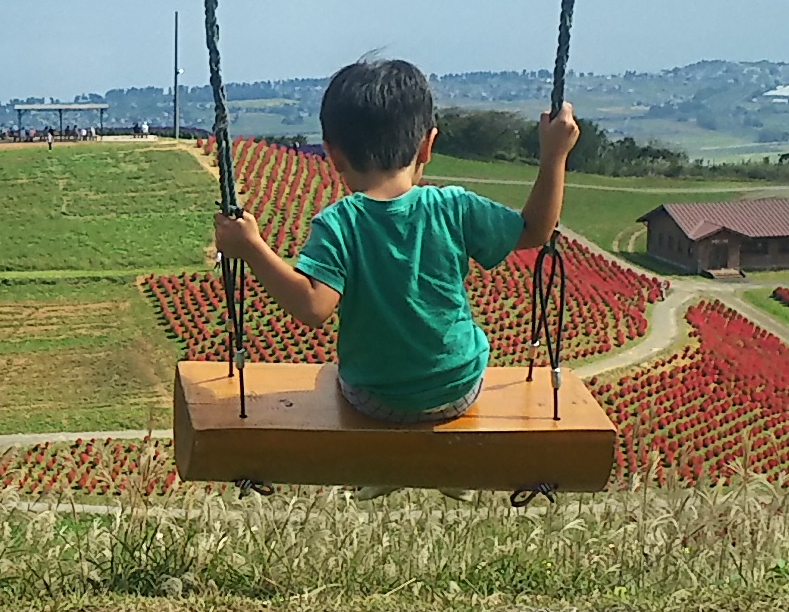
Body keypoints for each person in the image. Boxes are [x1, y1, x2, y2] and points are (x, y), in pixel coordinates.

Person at [213, 58, 577, 425]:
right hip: (459, 390)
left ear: (333, 155)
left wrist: (252, 248)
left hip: (374, 399)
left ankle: (381, 474)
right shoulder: (454, 206)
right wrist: (554, 158)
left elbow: (312, 307)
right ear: (427, 147)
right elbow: (536, 231)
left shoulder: (340, 223)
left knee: (334, 377)